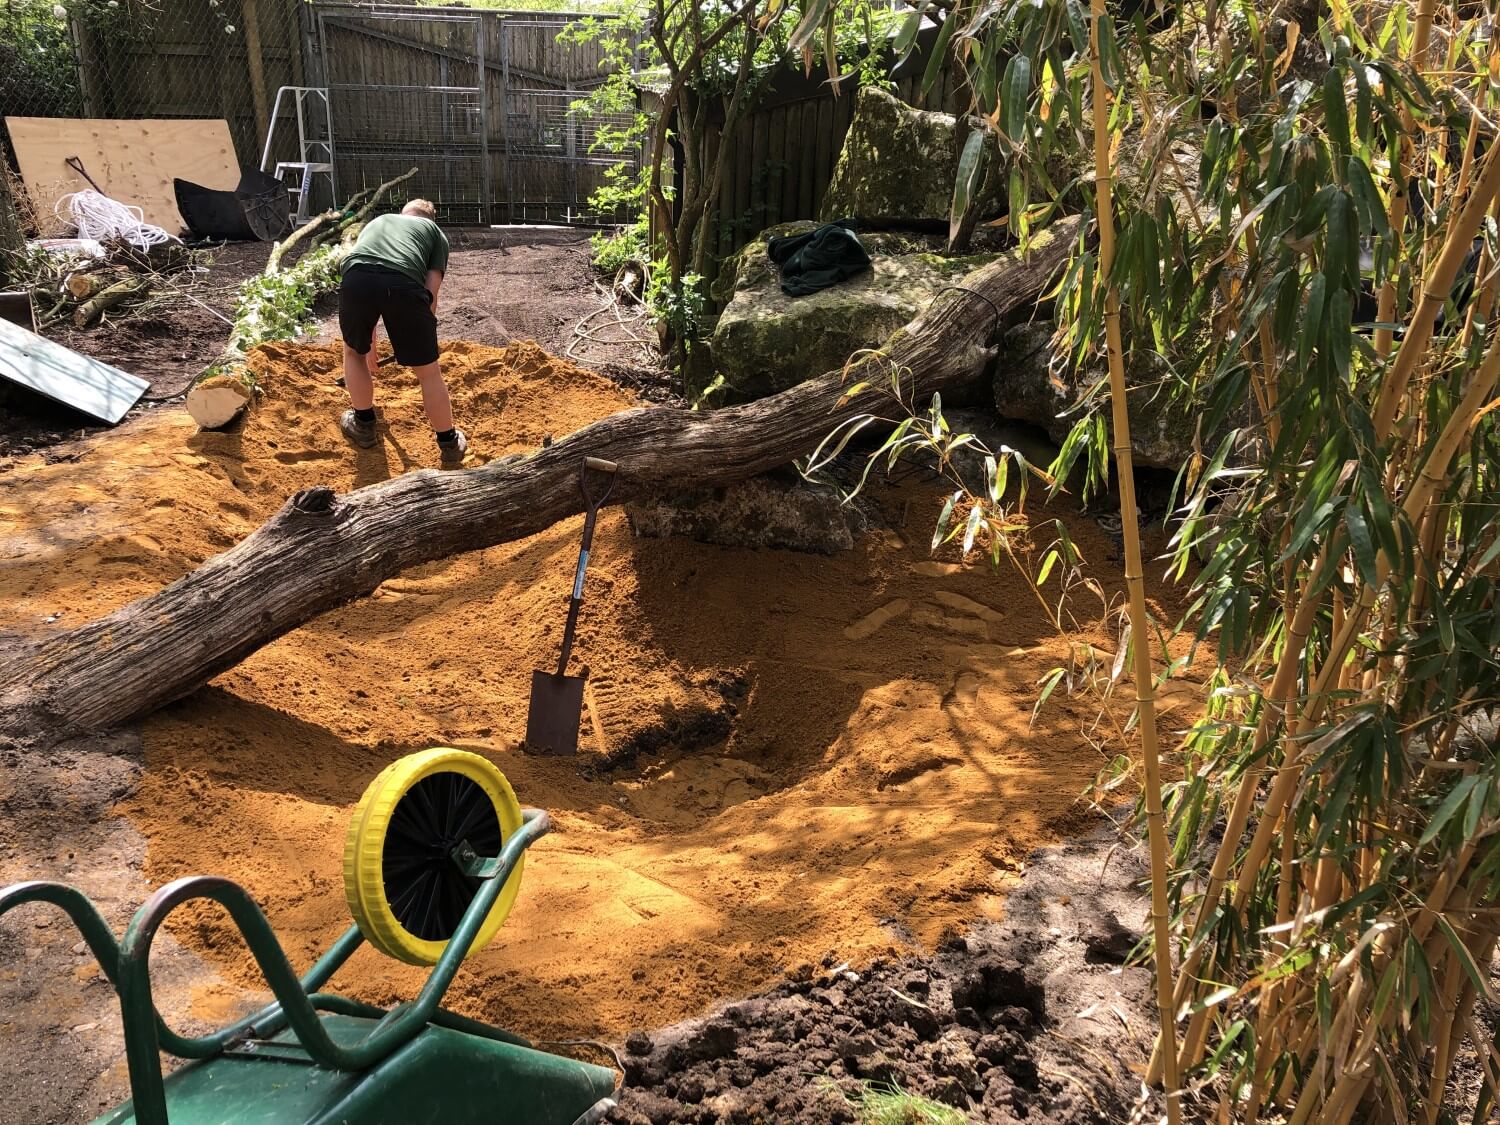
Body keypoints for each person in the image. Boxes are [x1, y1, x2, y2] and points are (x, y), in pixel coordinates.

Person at [336, 198, 468, 464]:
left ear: (403, 213)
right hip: (403, 284)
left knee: (353, 353)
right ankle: (448, 443)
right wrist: (422, 334)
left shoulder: (379, 221)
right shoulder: (434, 233)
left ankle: (363, 424)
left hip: (355, 278)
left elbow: (372, 270)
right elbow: (431, 291)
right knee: (429, 372)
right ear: (429, 219)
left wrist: (368, 343)